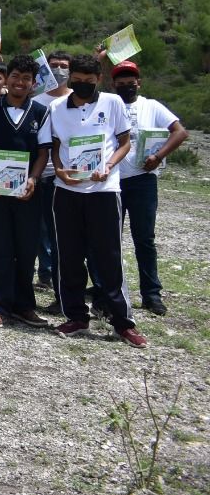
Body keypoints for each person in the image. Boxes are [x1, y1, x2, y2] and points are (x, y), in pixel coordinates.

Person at [49, 54, 145, 347]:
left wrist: (109, 166)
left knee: (109, 257)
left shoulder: (113, 103)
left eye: (88, 83)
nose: (82, 86)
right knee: (69, 256)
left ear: (99, 80)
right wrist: (61, 171)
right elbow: (54, 147)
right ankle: (76, 316)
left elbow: (124, 142)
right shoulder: (56, 107)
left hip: (104, 192)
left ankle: (122, 322)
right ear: (70, 79)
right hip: (66, 191)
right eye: (76, 81)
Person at [0, 54, 51, 328]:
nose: (20, 82)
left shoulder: (41, 112)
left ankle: (24, 305)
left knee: (26, 247)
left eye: (26, 79)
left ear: (33, 84)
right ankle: (0, 305)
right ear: (8, 78)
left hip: (27, 192)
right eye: (16, 76)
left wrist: (33, 179)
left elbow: (43, 153)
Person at [113, 60, 188, 316]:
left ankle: (151, 293)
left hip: (143, 180)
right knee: (109, 239)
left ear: (139, 82)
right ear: (113, 84)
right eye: (120, 82)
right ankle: (107, 289)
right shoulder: (109, 105)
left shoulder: (151, 106)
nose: (126, 85)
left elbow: (179, 132)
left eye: (130, 81)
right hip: (111, 180)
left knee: (144, 238)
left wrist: (158, 156)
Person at [31, 50, 72, 300]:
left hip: (60, 177)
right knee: (35, 229)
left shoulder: (76, 99)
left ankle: (54, 279)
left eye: (63, 65)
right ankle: (41, 273)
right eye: (53, 65)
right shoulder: (37, 98)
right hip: (35, 173)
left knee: (57, 232)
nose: (58, 69)